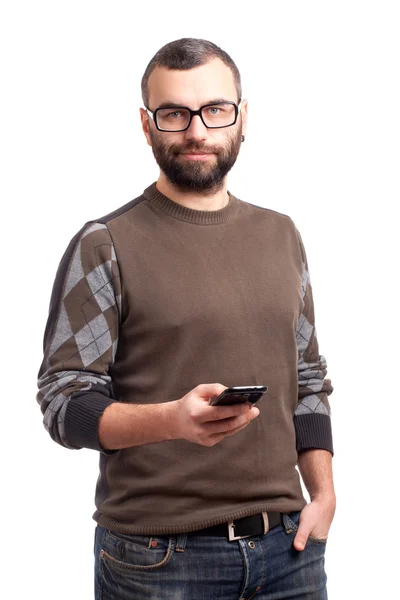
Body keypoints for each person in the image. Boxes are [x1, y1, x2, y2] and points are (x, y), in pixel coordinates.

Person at [37, 37, 336, 600]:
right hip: (157, 560)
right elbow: (62, 402)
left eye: (214, 110)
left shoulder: (282, 234)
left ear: (242, 118)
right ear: (147, 126)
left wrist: (324, 495)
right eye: (175, 113)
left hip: (290, 550)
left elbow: (309, 378)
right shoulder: (105, 245)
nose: (197, 131)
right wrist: (172, 420)